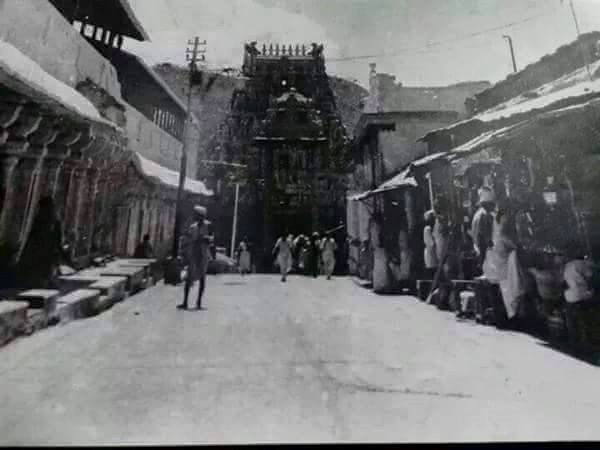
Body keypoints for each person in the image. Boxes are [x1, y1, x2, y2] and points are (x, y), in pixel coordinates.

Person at [18, 196, 64, 289]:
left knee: (37, 281)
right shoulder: (50, 221)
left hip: (41, 256)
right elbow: (57, 242)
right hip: (43, 257)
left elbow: (31, 238)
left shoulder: (40, 220)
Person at [178, 205, 211, 310]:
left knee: (202, 278)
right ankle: (185, 302)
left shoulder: (208, 226)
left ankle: (199, 302)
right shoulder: (193, 227)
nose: (195, 217)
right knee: (189, 278)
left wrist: (205, 239)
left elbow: (212, 239)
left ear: (201, 216)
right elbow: (187, 240)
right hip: (193, 255)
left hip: (203, 255)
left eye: (197, 215)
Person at [471, 187, 496, 273]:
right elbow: (486, 238)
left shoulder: (478, 214)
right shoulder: (484, 215)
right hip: (486, 253)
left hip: (481, 251)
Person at [423, 210, 438, 280]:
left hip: (432, 253)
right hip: (430, 253)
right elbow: (431, 243)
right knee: (432, 271)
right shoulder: (427, 229)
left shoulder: (432, 228)